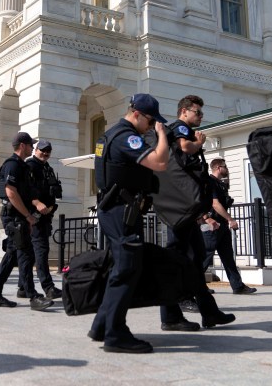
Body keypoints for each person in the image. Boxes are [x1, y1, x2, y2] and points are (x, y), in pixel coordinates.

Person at [89, 94, 169, 354]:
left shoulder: (109, 135)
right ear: (136, 114)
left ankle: (102, 325)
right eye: (150, 120)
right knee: (126, 269)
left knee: (120, 269)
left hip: (115, 209)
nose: (151, 125)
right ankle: (116, 335)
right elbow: (160, 162)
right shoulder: (126, 137)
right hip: (122, 211)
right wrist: (162, 134)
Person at [149, 95, 236, 333]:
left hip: (184, 206)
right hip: (180, 206)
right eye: (197, 112)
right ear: (185, 111)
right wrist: (198, 142)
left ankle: (210, 313)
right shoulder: (180, 127)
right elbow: (186, 147)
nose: (201, 116)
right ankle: (170, 315)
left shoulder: (180, 128)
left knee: (196, 258)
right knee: (176, 258)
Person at [0, 132, 53, 311]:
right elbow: (11, 193)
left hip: (18, 217)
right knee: (25, 254)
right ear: (22, 146)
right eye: (30, 145)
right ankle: (32, 296)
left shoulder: (21, 166)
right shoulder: (12, 165)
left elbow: (24, 193)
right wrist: (28, 216)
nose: (32, 148)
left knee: (12, 256)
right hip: (15, 217)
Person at [203, 157, 257, 295]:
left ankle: (238, 286)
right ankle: (193, 287)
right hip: (212, 225)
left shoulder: (219, 184)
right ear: (218, 168)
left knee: (228, 257)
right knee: (205, 258)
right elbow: (215, 204)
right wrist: (231, 219)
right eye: (225, 167)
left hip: (221, 226)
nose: (227, 169)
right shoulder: (210, 182)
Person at [23, 140, 62, 300]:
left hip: (46, 216)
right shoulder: (30, 166)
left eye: (48, 151)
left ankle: (22, 287)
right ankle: (48, 287)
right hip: (35, 217)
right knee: (41, 251)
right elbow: (25, 190)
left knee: (31, 253)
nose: (45, 153)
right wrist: (37, 203)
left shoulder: (47, 168)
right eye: (42, 150)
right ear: (36, 150)